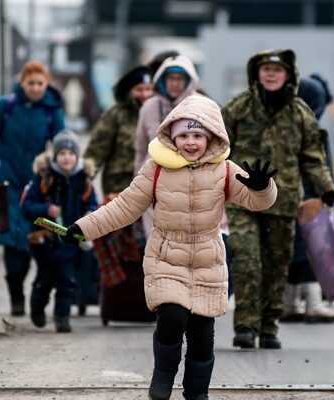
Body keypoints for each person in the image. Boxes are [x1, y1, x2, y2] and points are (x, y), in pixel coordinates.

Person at [64, 95, 277, 400]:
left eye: (198, 135)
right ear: (172, 137)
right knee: (172, 316)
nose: (191, 142)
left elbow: (258, 203)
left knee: (202, 334)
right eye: (184, 135)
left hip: (208, 258)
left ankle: (197, 392)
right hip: (166, 255)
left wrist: (263, 188)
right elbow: (124, 207)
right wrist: (83, 228)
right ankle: (163, 375)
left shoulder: (225, 170)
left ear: (211, 137)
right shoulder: (158, 169)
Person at [222, 49, 334, 349]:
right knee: (247, 259)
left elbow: (313, 157)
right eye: (266, 69)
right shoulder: (238, 108)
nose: (271, 74)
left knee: (277, 263)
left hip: (283, 200)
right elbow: (218, 148)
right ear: (256, 73)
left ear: (289, 75)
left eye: (277, 69)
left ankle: (269, 325)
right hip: (242, 198)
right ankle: (246, 326)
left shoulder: (300, 113)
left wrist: (327, 189)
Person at [0, 61, 65, 317]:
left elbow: (63, 141)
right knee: (14, 240)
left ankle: (38, 288)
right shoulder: (6, 106)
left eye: (40, 83)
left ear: (46, 84)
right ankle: (15, 292)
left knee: (37, 236)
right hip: (7, 180)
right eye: (30, 83)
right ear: (22, 83)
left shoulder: (52, 110)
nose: (35, 88)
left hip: (36, 184)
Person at [281, 73, 334, 323]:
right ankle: (313, 303)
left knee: (291, 250)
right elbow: (322, 167)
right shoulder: (315, 131)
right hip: (310, 199)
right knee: (312, 250)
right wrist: (329, 194)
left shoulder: (282, 129)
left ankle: (289, 302)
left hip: (284, 197)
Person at [21, 130, 98, 332]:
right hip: (44, 241)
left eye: (70, 153)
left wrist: (89, 215)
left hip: (71, 241)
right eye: (62, 153)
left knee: (67, 281)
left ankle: (62, 317)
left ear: (77, 156)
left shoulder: (84, 180)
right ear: (55, 156)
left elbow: (93, 205)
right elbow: (26, 205)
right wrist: (46, 210)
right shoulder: (43, 178)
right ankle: (37, 307)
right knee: (44, 279)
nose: (66, 158)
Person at [134, 55, 200, 237]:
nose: (175, 83)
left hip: (190, 187)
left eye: (180, 79)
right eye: (171, 78)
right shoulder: (149, 107)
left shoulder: (201, 106)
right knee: (155, 244)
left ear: (188, 80)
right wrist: (137, 188)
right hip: (153, 185)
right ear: (163, 79)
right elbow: (140, 151)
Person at [84, 65, 153, 196]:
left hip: (150, 185)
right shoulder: (116, 115)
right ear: (129, 91)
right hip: (118, 186)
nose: (145, 94)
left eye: (149, 89)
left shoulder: (159, 114)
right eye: (139, 89)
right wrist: (84, 179)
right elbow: (96, 150)